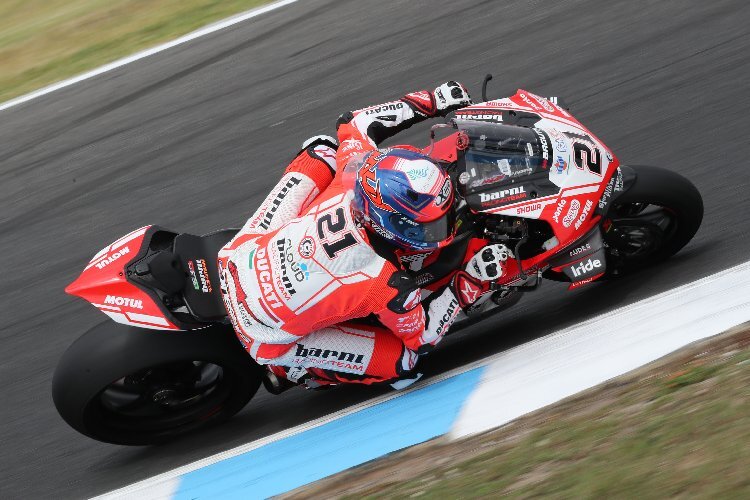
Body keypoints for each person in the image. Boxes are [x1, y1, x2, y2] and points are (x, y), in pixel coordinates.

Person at [217, 81, 513, 390]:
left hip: (237, 257)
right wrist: (470, 282)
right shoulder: (387, 284)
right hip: (263, 333)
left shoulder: (354, 174)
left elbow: (354, 123)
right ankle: (295, 370)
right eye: (428, 227)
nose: (441, 229)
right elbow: (422, 338)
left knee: (322, 150)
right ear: (391, 225)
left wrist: (431, 101)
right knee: (405, 363)